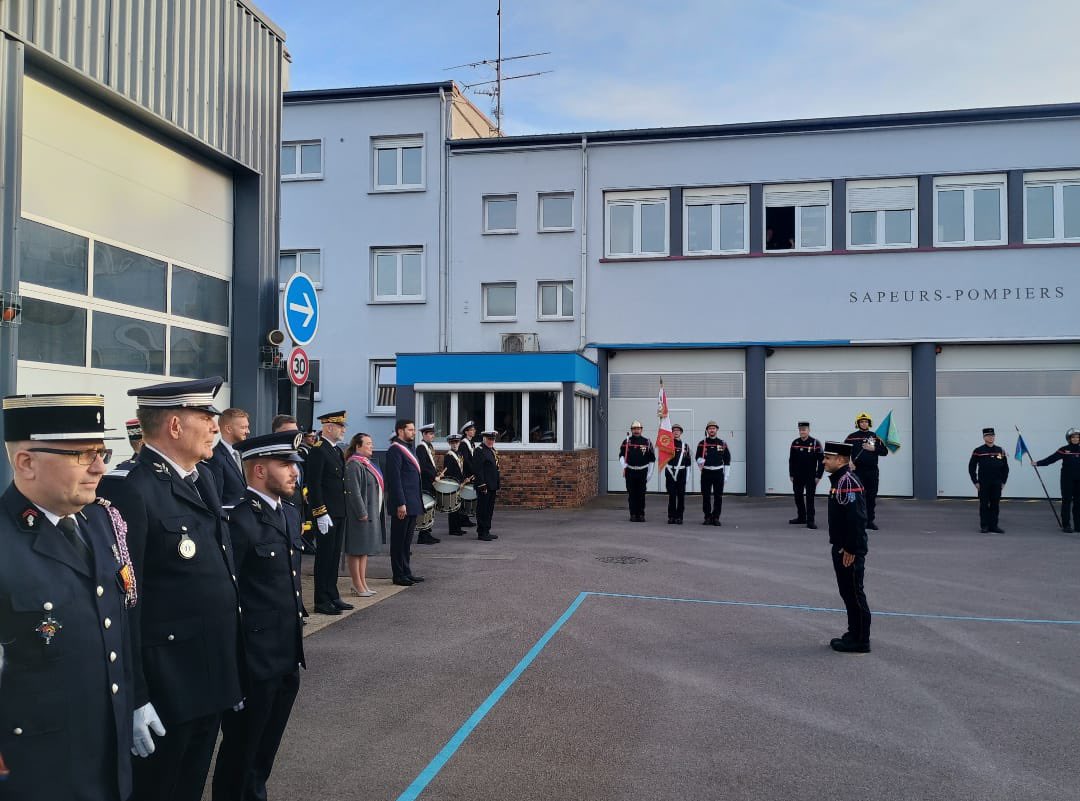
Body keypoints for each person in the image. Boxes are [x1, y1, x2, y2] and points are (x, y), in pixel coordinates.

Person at [97, 376, 243, 801]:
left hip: (208, 677)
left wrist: (230, 672)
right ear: (175, 426)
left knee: (190, 786)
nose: (215, 426)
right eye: (206, 417)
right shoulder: (130, 490)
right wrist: (135, 696)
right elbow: (125, 604)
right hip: (167, 687)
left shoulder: (203, 479)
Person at [0, 393, 136, 801]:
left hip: (105, 757)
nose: (100, 466)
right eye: (82, 454)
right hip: (34, 770)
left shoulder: (100, 522)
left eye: (101, 451)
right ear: (26, 462)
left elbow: (118, 635)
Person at [211, 431, 306, 801]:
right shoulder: (237, 520)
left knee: (264, 752)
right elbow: (227, 597)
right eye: (286, 465)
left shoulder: (290, 513)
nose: (294, 472)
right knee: (241, 750)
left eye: (294, 465)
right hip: (253, 659)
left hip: (285, 655)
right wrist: (231, 665)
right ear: (260, 469)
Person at [822, 440, 871, 654]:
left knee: (853, 593)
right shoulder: (839, 480)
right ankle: (853, 633)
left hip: (848, 550)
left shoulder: (847, 482)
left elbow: (858, 519)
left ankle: (861, 640)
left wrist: (852, 548)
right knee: (847, 592)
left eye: (828, 458)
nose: (824, 461)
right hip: (842, 546)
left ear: (841, 460)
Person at [304, 411, 353, 616]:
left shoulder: (336, 451)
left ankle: (332, 594)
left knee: (333, 557)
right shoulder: (318, 450)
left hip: (338, 512)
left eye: (343, 426)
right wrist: (320, 513)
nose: (343, 430)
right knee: (324, 557)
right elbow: (314, 485)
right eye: (340, 426)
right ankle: (321, 600)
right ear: (329, 427)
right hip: (326, 513)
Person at [343, 432, 384, 596]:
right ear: (358, 446)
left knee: (364, 549)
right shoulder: (354, 465)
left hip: (369, 512)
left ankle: (363, 583)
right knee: (356, 550)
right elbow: (354, 492)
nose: (371, 446)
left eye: (371, 443)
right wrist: (361, 512)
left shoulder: (365, 463)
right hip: (358, 515)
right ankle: (357, 584)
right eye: (368, 443)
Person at [385, 420, 424, 586]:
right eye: (410, 429)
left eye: (414, 429)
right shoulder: (395, 450)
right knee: (398, 541)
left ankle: (406, 571)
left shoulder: (409, 448)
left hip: (412, 502)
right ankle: (398, 574)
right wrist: (401, 503)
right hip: (403, 504)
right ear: (400, 431)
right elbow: (395, 480)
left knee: (406, 542)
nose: (414, 432)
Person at [845, 412, 889, 530]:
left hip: (872, 472)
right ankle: (856, 520)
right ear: (857, 423)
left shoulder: (874, 436)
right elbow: (844, 452)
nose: (864, 423)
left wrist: (873, 448)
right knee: (855, 497)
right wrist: (848, 462)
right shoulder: (851, 437)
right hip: (857, 472)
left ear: (869, 423)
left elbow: (884, 452)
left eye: (866, 422)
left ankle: (869, 521)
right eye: (861, 422)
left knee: (871, 496)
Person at [1036, 427, 1080, 533]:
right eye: (1073, 437)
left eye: (1077, 437)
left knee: (1078, 503)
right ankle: (1066, 525)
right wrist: (1038, 463)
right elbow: (1052, 458)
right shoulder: (1064, 449)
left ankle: (1078, 525)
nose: (1075, 439)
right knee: (1066, 502)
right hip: (1067, 480)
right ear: (1069, 438)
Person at [206, 407, 250, 509]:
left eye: (247, 427)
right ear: (228, 429)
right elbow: (216, 501)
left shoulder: (242, 454)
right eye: (243, 427)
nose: (248, 431)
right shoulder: (215, 458)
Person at [968, 427, 1009, 534]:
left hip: (997, 483)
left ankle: (994, 526)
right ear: (984, 437)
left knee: (995, 504)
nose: (991, 437)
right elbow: (971, 467)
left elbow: (1005, 468)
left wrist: (1003, 482)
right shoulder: (978, 451)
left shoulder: (1000, 450)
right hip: (983, 483)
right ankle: (984, 526)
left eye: (992, 435)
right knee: (984, 504)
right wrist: (975, 481)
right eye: (988, 436)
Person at [789, 421, 824, 530]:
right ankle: (801, 517)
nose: (802, 431)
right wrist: (791, 474)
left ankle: (810, 521)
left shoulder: (815, 443)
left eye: (804, 429)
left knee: (810, 499)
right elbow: (791, 460)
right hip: (797, 476)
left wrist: (819, 476)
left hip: (811, 476)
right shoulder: (795, 442)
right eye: (800, 430)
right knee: (798, 497)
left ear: (809, 430)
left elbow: (821, 461)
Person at [618, 420, 655, 522]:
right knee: (632, 494)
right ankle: (633, 514)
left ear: (641, 430)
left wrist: (650, 473)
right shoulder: (626, 441)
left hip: (642, 472)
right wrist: (623, 465)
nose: (636, 431)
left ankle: (641, 514)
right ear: (631, 430)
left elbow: (652, 459)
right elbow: (621, 455)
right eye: (634, 429)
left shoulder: (647, 442)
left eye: (638, 429)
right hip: (630, 472)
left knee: (641, 494)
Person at [695, 421, 730, 526]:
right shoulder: (702, 443)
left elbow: (727, 460)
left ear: (717, 430)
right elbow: (697, 457)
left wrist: (726, 475)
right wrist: (699, 460)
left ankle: (716, 517)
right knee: (706, 496)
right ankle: (707, 517)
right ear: (707, 430)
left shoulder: (722, 443)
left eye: (713, 428)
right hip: (706, 472)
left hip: (718, 472)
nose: (712, 430)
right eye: (710, 428)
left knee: (718, 496)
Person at [414, 422, 440, 545]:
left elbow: (431, 465)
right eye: (430, 434)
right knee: (426, 508)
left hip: (430, 482)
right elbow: (423, 467)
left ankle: (428, 533)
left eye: (433, 434)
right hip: (425, 482)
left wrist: (436, 474)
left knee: (430, 509)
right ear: (424, 434)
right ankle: (423, 535)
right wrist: (433, 476)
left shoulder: (429, 447)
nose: (432, 436)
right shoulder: (421, 448)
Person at [474, 430, 501, 541]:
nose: (491, 441)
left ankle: (487, 530)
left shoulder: (491, 450)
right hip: (484, 486)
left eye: (493, 439)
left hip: (492, 485)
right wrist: (481, 485)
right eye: (489, 439)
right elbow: (478, 469)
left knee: (489, 509)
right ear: (484, 439)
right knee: (482, 509)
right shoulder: (479, 450)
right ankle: (482, 532)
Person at [664, 423, 691, 524]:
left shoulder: (685, 446)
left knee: (680, 496)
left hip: (681, 473)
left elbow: (688, 463)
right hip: (670, 472)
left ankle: (679, 517)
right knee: (671, 496)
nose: (676, 432)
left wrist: (687, 477)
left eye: (678, 430)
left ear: (681, 433)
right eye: (674, 430)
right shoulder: (667, 444)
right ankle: (671, 516)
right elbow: (662, 459)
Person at [443, 433, 469, 536]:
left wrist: (463, 480)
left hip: (460, 483)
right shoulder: (449, 456)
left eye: (457, 442)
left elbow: (461, 469)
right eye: (453, 442)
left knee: (458, 506)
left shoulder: (459, 454)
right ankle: (453, 529)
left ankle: (458, 527)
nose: (455, 444)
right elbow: (449, 472)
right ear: (449, 443)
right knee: (453, 508)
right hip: (453, 483)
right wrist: (457, 482)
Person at [457, 421, 478, 528]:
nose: (474, 431)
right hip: (466, 474)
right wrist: (474, 471)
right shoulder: (463, 444)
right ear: (466, 432)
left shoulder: (471, 443)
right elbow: (465, 461)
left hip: (471, 473)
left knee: (467, 497)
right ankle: (462, 519)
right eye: (471, 430)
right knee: (464, 497)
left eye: (474, 430)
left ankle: (465, 518)